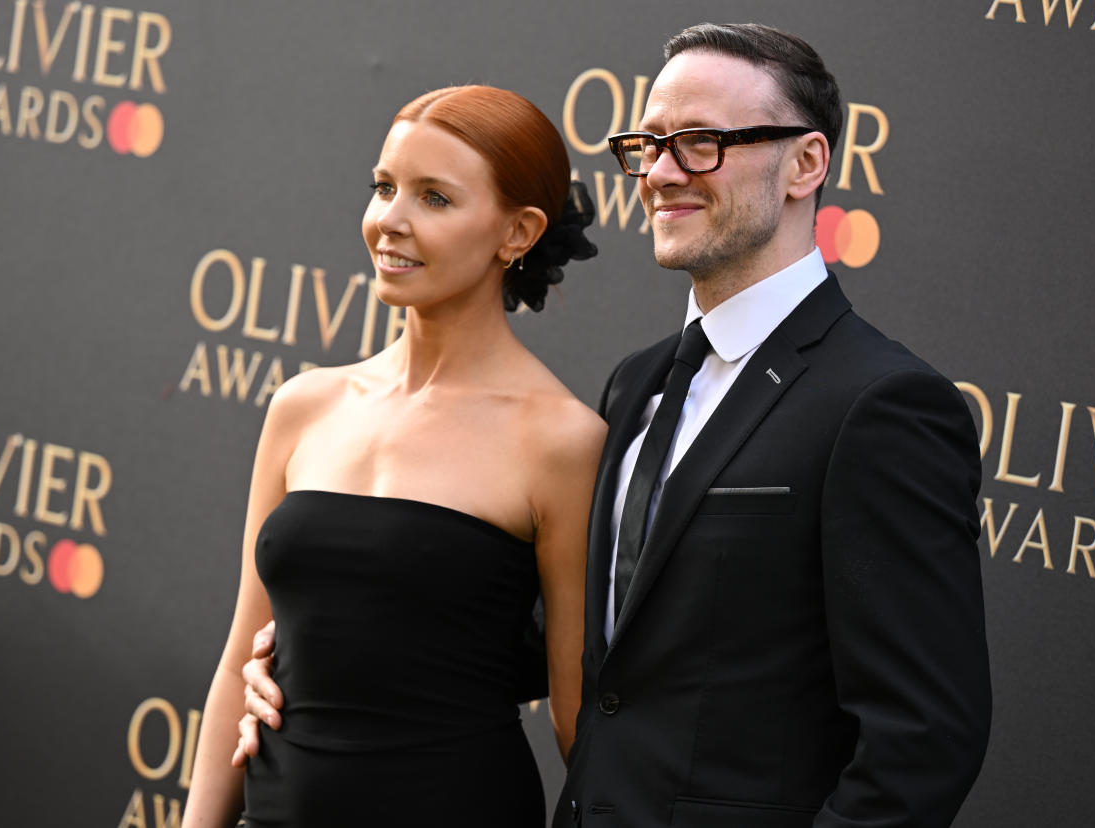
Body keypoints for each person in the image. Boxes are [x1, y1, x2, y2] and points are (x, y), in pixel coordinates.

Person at [241, 21, 992, 828]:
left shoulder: (880, 405)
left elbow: (923, 740)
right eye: (649, 143)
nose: (663, 172)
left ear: (806, 163)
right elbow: (582, 650)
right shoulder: (637, 385)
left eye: (702, 143)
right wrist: (316, 658)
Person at [181, 84, 605, 828]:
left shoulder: (561, 440)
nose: (390, 222)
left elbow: (578, 719)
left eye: (435, 198)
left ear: (519, 232)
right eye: (384, 188)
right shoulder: (303, 406)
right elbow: (237, 660)